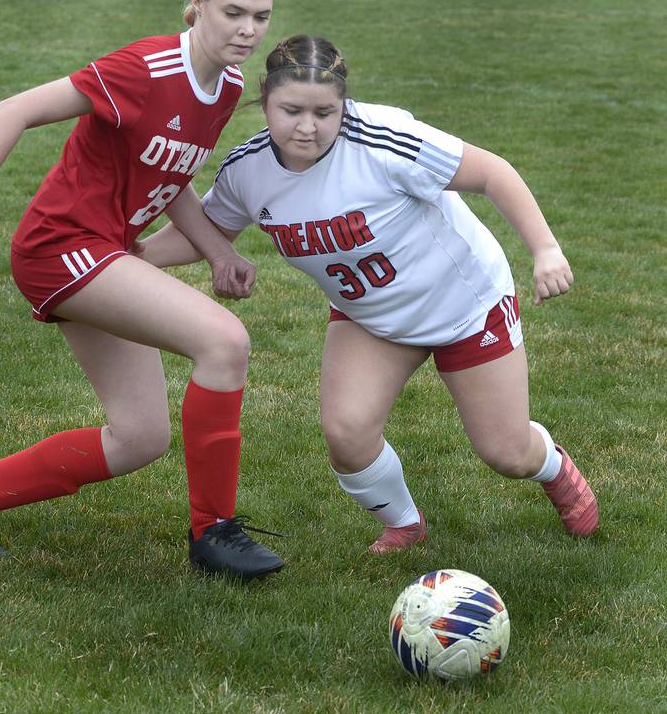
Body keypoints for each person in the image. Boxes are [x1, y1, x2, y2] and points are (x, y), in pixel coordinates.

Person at [0, 0, 285, 580]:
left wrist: (218, 250)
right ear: (196, 7)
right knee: (224, 342)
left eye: (262, 17)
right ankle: (215, 533)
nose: (249, 29)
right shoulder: (146, 67)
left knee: (140, 438)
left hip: (104, 249)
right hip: (60, 245)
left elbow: (174, 173)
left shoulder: (226, 86)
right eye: (234, 12)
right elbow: (15, 110)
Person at [137, 34, 599, 554]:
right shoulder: (249, 169)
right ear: (264, 98)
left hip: (464, 306)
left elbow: (492, 173)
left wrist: (546, 250)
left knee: (507, 453)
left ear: (345, 107)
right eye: (290, 110)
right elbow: (206, 231)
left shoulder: (383, 138)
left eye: (324, 112)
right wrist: (127, 257)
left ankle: (555, 468)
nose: (307, 127)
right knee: (347, 434)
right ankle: (405, 522)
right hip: (370, 317)